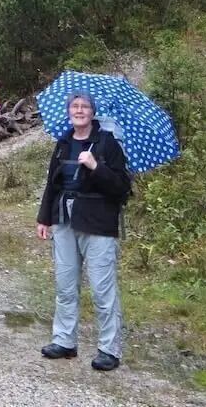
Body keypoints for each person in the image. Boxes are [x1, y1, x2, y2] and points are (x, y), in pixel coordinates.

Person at [36, 92, 132, 371]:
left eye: (85, 107)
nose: (79, 111)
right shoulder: (63, 143)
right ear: (69, 111)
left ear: (93, 112)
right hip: (64, 220)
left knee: (102, 289)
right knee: (65, 284)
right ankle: (64, 341)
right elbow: (52, 184)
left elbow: (122, 188)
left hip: (98, 222)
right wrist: (44, 218)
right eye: (75, 106)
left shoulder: (108, 143)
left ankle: (109, 350)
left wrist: (95, 166)